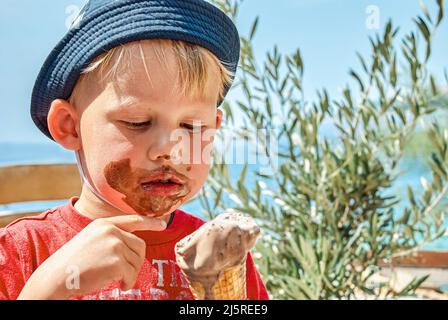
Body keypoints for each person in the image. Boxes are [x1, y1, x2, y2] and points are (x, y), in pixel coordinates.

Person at [0, 0, 269, 300]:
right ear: (69, 126)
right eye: (137, 122)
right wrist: (48, 290)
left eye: (192, 126)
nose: (170, 149)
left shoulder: (220, 256)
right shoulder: (21, 252)